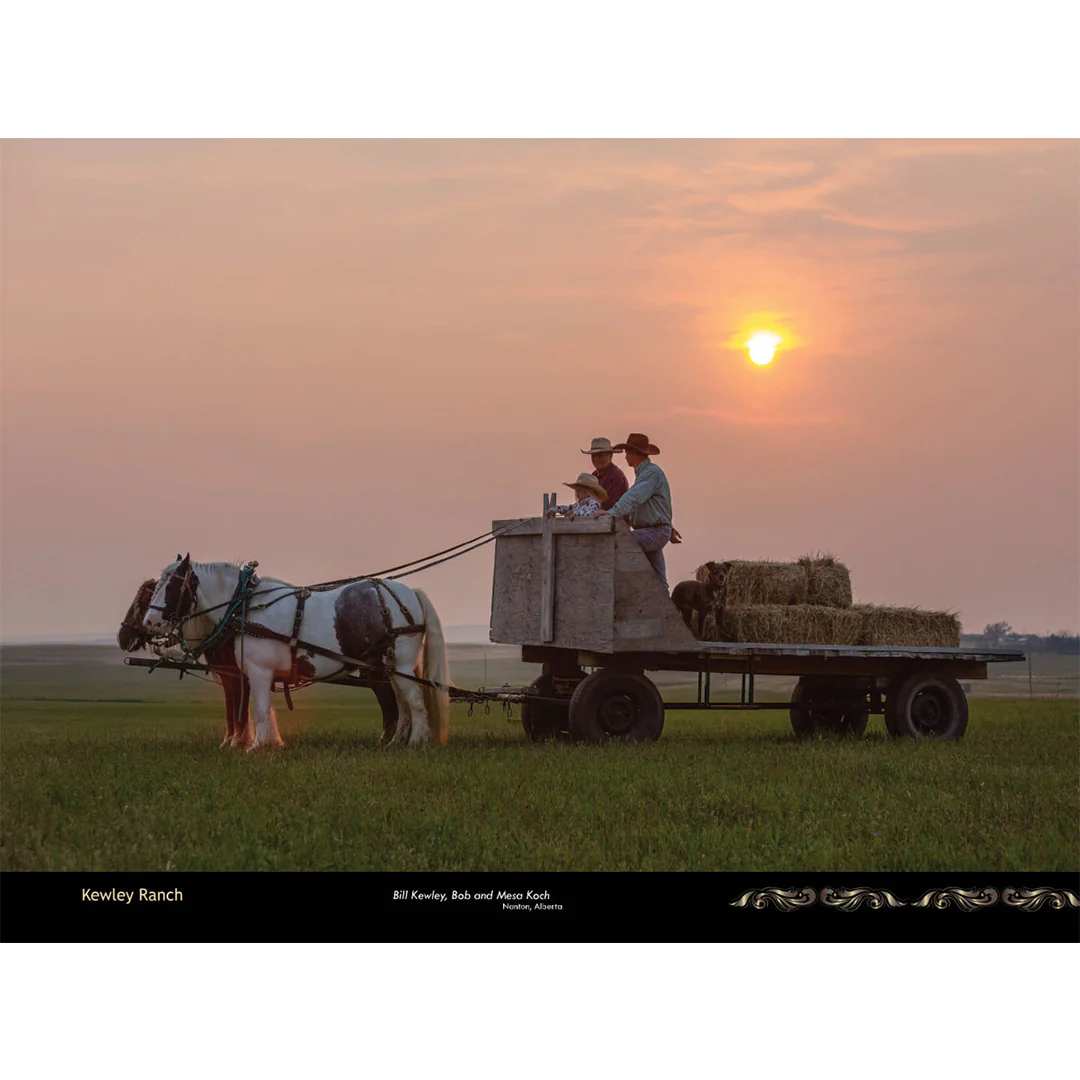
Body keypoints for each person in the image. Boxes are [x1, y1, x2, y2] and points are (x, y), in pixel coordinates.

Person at [604, 432, 674, 590]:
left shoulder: (651, 474)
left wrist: (611, 513)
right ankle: (666, 611)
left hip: (653, 531)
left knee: (620, 542)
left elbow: (634, 497)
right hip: (654, 530)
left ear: (633, 454)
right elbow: (659, 505)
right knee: (658, 578)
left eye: (627, 452)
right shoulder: (647, 474)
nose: (625, 456)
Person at [581, 436, 628, 511]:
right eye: (593, 455)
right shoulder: (594, 475)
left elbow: (609, 506)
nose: (596, 459)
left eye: (600, 455)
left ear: (610, 455)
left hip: (611, 521)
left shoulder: (616, 477)